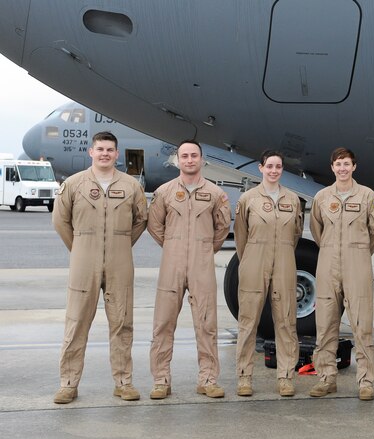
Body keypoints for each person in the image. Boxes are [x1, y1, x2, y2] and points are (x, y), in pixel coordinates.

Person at [52, 131, 148, 404]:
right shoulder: (73, 184)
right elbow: (60, 221)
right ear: (91, 152)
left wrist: (121, 244)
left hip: (121, 260)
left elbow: (141, 220)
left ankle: (123, 382)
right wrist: (81, 247)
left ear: (117, 154)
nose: (105, 154)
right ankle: (68, 383)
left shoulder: (131, 186)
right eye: (100, 149)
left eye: (110, 150)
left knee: (122, 323)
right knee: (76, 322)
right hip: (84, 257)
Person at [147, 140, 231, 399]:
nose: (190, 160)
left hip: (202, 264)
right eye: (185, 156)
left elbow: (222, 228)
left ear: (202, 159)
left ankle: (207, 379)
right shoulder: (164, 192)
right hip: (171, 263)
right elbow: (154, 225)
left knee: (206, 323)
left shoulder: (216, 194)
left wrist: (203, 249)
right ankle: (161, 379)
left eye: (194, 155)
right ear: (178, 160)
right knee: (163, 323)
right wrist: (173, 245)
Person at [309, 148, 374, 400]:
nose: (342, 168)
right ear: (332, 167)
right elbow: (316, 228)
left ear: (354, 167)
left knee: (362, 324)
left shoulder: (367, 196)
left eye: (346, 164)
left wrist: (359, 253)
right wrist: (332, 250)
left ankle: (365, 381)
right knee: (326, 322)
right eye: (338, 164)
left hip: (358, 263)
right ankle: (326, 378)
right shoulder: (321, 197)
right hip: (328, 263)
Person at [233, 150, 303, 397]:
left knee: (286, 321)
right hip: (254, 259)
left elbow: (295, 234)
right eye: (270, 166)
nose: (274, 171)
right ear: (261, 168)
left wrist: (282, 254)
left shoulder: (292, 199)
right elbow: (241, 235)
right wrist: (251, 259)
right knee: (248, 321)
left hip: (284, 260)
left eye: (278, 167)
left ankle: (285, 377)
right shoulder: (248, 199)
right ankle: (244, 377)